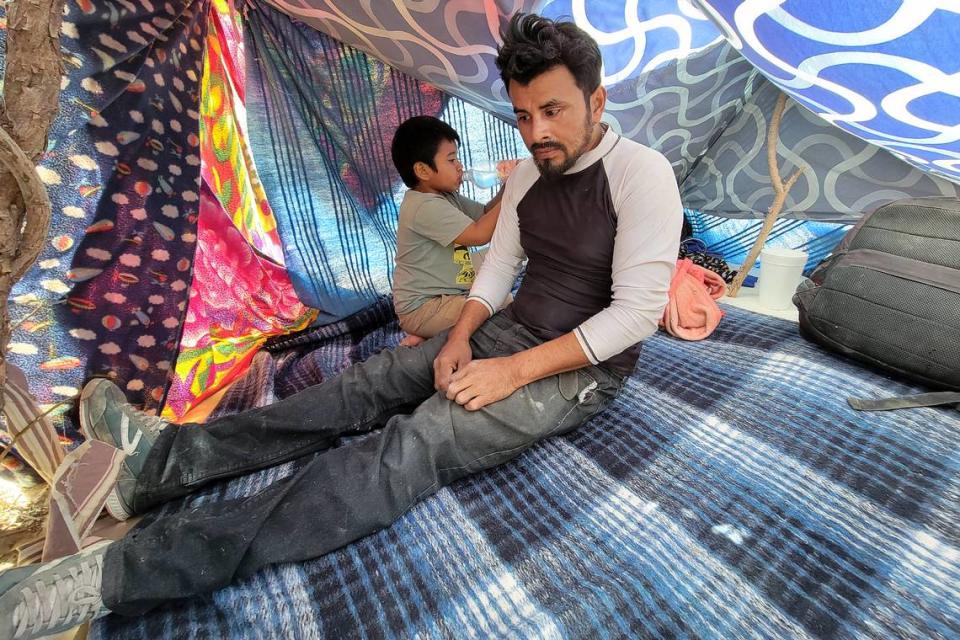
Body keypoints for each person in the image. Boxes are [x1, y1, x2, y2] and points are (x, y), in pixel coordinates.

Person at [0, 12, 683, 638]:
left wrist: (509, 369)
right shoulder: (533, 175)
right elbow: (499, 268)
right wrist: (463, 336)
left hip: (576, 372)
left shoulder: (640, 174)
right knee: (366, 384)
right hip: (508, 331)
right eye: (524, 113)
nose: (535, 131)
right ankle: (160, 464)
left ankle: (118, 576)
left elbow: (635, 316)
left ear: (597, 102)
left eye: (553, 111)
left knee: (414, 443)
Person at [390, 116, 510, 347]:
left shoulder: (445, 195)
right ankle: (430, 339)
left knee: (501, 278)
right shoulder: (423, 206)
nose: (460, 166)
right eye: (451, 160)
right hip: (424, 307)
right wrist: (514, 192)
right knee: (500, 304)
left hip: (450, 289)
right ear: (423, 170)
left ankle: (431, 335)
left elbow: (484, 213)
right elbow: (479, 233)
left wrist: (507, 187)